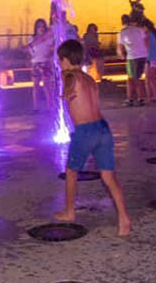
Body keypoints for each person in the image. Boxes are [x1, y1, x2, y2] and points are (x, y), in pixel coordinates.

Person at [53, 39, 130, 237]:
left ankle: (69, 212)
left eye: (60, 59)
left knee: (71, 172)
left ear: (67, 59)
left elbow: (69, 87)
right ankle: (123, 218)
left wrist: (65, 92)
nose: (59, 63)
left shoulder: (68, 75)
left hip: (86, 131)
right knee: (108, 176)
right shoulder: (88, 78)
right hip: (103, 129)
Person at [117, 13, 149, 106]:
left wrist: (121, 55)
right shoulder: (139, 30)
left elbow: (119, 47)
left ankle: (135, 98)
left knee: (133, 78)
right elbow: (146, 41)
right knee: (136, 77)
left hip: (132, 57)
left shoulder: (123, 32)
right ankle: (136, 98)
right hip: (142, 55)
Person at [27, 18, 54, 112]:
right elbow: (30, 50)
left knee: (47, 86)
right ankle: (36, 107)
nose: (41, 28)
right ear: (36, 28)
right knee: (36, 86)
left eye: (43, 26)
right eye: (39, 26)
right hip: (35, 63)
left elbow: (52, 49)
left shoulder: (49, 38)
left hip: (46, 63)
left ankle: (50, 106)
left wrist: (50, 55)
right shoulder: (32, 38)